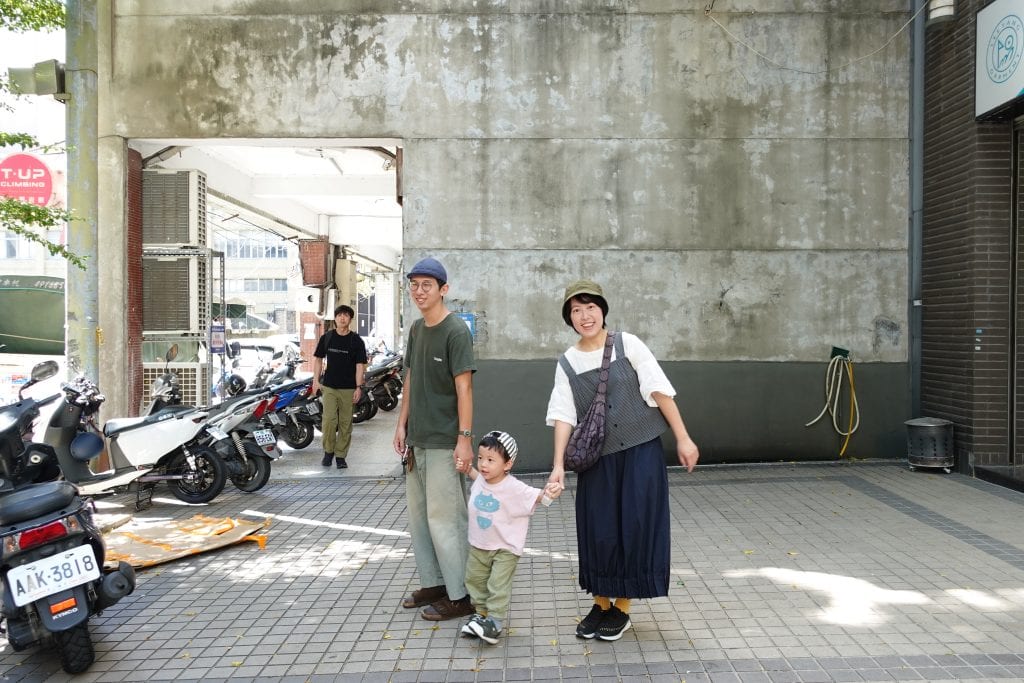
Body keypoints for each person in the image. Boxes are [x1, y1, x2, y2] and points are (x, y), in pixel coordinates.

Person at [546, 279, 700, 641]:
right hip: (597, 460)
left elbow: (659, 390)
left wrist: (683, 437)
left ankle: (623, 607)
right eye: (576, 310)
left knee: (635, 525)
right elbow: (563, 414)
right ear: (569, 318)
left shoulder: (626, 344)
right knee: (599, 531)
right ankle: (601, 604)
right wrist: (557, 465)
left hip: (641, 452)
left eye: (591, 307)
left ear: (603, 310)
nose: (585, 316)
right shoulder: (567, 362)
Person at [393, 257, 477, 621]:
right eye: (414, 284)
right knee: (421, 519)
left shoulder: (456, 331)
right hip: (418, 440)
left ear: (444, 289)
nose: (419, 291)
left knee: (448, 519)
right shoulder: (416, 329)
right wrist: (401, 424)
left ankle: (462, 595)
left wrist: (465, 438)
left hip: (446, 441)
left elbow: (465, 389)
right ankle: (435, 583)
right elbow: (410, 377)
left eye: (427, 284)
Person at [455, 431, 563, 644]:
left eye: (490, 460)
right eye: (480, 458)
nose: (483, 464)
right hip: (479, 545)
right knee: (474, 580)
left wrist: (550, 494)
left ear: (507, 464)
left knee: (497, 584)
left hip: (505, 548)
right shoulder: (482, 479)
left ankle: (494, 621)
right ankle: (481, 614)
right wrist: (466, 467)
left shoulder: (514, 487)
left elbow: (538, 498)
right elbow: (476, 478)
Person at [313, 304, 367, 469]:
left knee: (345, 423)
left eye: (346, 315)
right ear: (335, 318)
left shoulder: (356, 340)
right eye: (339, 315)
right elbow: (318, 359)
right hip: (329, 386)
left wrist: (358, 387)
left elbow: (360, 365)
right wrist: (315, 380)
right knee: (329, 421)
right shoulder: (327, 337)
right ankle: (328, 452)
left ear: (350, 319)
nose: (342, 318)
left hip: (349, 388)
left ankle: (341, 456)